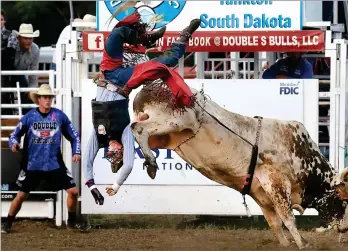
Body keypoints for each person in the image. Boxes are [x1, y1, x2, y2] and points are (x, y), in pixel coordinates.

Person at [84, 12, 201, 205]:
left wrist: (92, 187)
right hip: (125, 81)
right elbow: (129, 166)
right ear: (121, 151)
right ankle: (184, 37)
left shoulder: (99, 136)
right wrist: (115, 186)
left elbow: (87, 164)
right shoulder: (125, 134)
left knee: (117, 34)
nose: (112, 152)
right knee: (164, 64)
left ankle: (147, 38)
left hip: (109, 71)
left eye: (110, 155)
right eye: (116, 155)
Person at [1, 84, 82, 234]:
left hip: (54, 163)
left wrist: (76, 151)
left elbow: (74, 136)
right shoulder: (29, 117)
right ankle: (8, 222)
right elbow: (13, 135)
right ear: (38, 99)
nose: (48, 100)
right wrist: (14, 144)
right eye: (45, 97)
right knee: (21, 196)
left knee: (73, 191)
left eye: (50, 97)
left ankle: (71, 222)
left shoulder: (59, 116)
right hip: (33, 164)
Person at [13, 23, 40, 114]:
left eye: (30, 38)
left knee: (27, 92)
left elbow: (33, 72)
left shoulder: (35, 49)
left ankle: (27, 117)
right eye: (25, 38)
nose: (28, 41)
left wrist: (32, 91)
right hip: (6, 75)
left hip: (20, 76)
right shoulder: (12, 46)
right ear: (19, 38)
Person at [1, 9, 18, 115]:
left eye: (1, 19)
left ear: (4, 21)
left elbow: (10, 53)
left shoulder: (11, 34)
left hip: (4, 69)